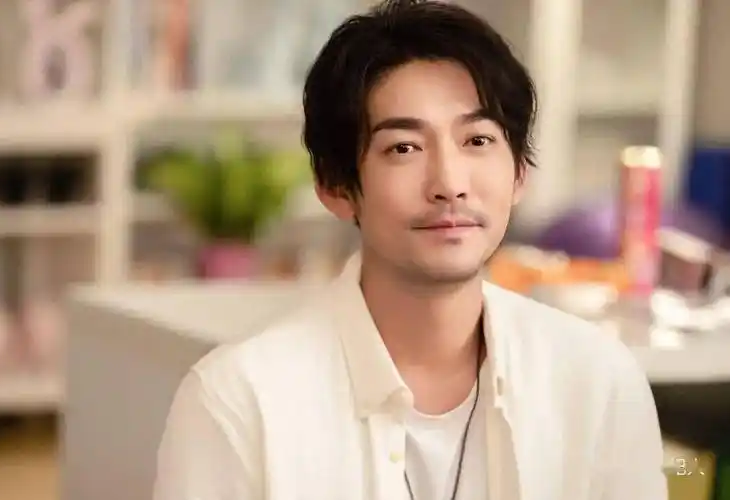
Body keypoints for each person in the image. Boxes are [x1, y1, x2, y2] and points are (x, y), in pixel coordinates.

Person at [153, 0, 667, 499]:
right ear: (335, 186)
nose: (450, 184)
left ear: (519, 172)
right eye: (404, 148)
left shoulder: (597, 382)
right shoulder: (241, 402)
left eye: (477, 141)